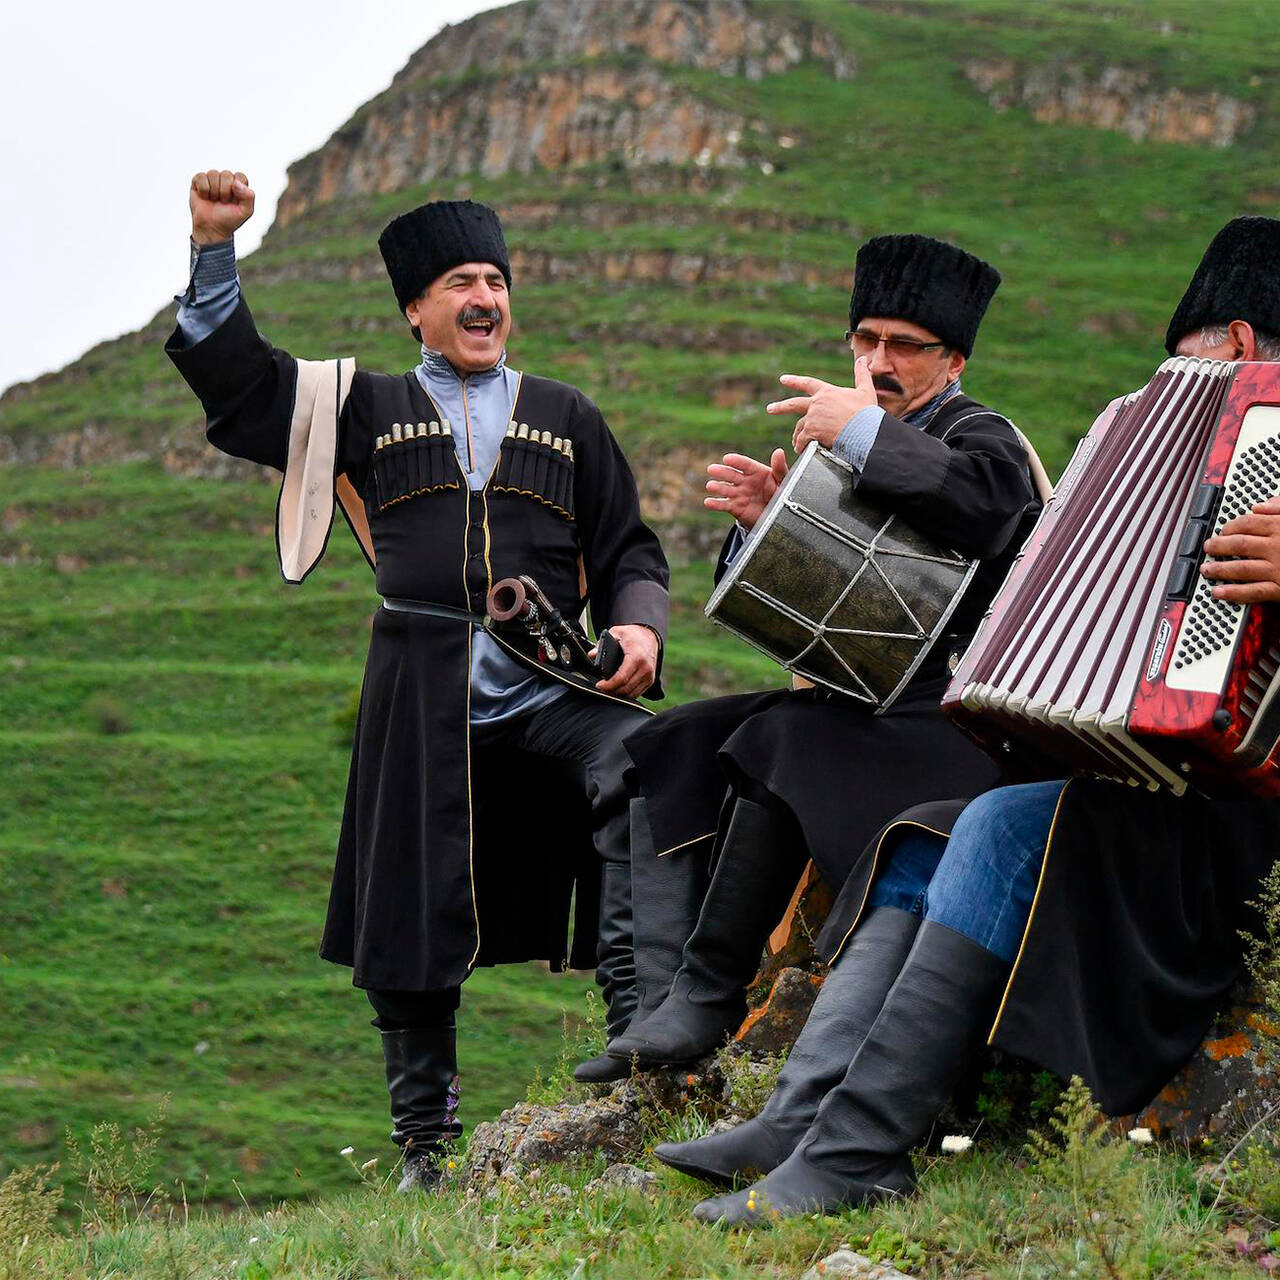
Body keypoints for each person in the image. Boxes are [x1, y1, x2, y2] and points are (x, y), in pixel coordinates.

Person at [658, 214, 1280, 1227]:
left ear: (1239, 346)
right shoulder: (1213, 448)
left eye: (1188, 364)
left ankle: (856, 1148)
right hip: (1164, 792)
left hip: (1240, 818)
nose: (1170, 387)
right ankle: (808, 1122)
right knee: (927, 833)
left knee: (989, 824)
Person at [165, 170, 669, 1189]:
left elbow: (633, 549)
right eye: (458, 283)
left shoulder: (567, 414)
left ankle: (638, 1045)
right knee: (406, 916)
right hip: (419, 694)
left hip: (549, 690)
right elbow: (241, 386)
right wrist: (213, 248)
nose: (484, 298)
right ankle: (424, 1148)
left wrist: (637, 629)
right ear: (415, 310)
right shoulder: (356, 404)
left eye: (495, 279)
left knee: (645, 761)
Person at [590, 234, 1045, 1082]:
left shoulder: (986, 439)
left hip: (958, 720)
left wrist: (865, 429)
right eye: (865, 340)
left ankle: (709, 995)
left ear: (953, 360)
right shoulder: (850, 445)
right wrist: (772, 526)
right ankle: (652, 1012)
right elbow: (830, 612)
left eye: (903, 346)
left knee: (783, 738)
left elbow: (987, 509)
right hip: (866, 702)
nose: (877, 361)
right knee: (662, 746)